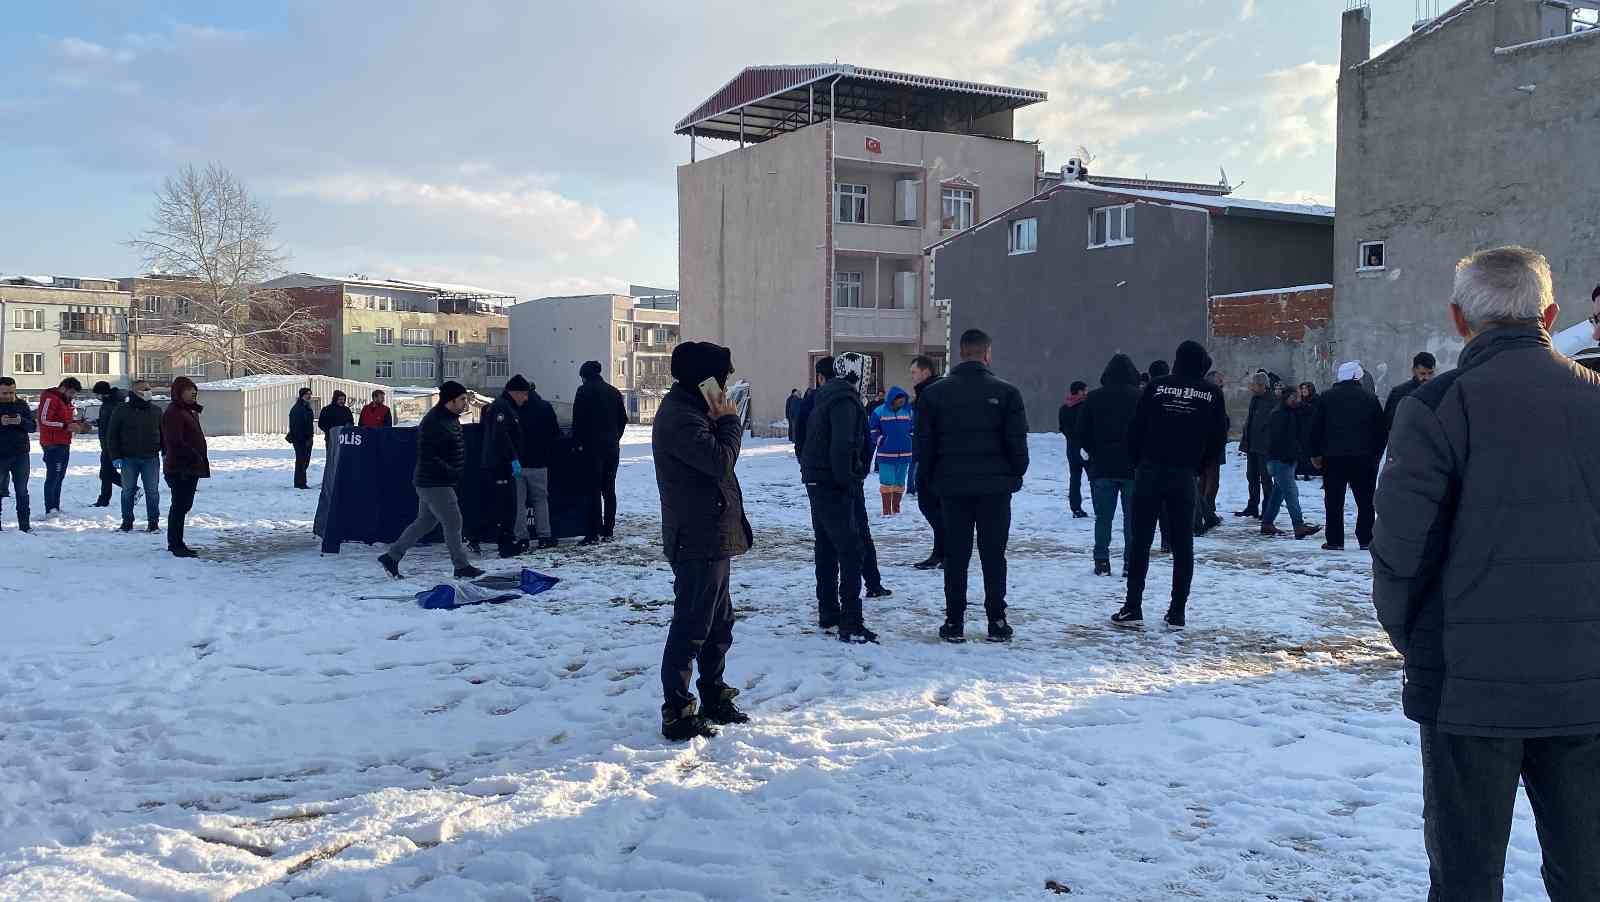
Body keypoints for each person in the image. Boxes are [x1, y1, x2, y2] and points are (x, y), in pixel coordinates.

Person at [1374, 247, 1600, 899]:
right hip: (1583, 684)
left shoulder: (1435, 407)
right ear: (1550, 314)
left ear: (1458, 319)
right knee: (1586, 874)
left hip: (1466, 687)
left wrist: (1414, 641)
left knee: (1467, 878)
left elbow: (1398, 554)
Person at [652, 341, 753, 741]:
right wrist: (729, 422)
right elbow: (718, 461)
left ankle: (713, 692)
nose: (725, 386)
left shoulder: (695, 408)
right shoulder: (681, 416)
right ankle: (676, 709)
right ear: (704, 379)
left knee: (718, 621)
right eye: (722, 377)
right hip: (696, 536)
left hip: (711, 532)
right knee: (693, 624)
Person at [918, 329, 1028, 643]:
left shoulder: (935, 394)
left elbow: (925, 445)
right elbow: (1017, 444)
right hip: (995, 489)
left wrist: (929, 480)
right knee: (994, 555)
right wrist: (1014, 474)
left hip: (952, 488)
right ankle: (997, 619)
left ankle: (954, 621)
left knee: (956, 555)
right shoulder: (1007, 393)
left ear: (961, 353)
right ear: (986, 353)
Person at [1113, 341, 1228, 630]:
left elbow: (1136, 428)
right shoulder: (1211, 393)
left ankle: (1133, 606)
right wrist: (1199, 467)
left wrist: (1138, 462)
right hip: (1183, 474)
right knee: (1182, 544)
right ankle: (1177, 610)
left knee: (1141, 541)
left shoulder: (1156, 387)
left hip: (1150, 470)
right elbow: (1217, 437)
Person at [800, 355, 885, 644]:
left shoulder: (824, 396)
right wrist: (849, 480)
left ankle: (828, 611)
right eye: (867, 375)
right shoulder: (845, 401)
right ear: (856, 375)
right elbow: (843, 444)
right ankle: (851, 621)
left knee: (826, 547)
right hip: (833, 483)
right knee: (851, 550)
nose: (869, 381)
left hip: (817, 478)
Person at [378, 381, 483, 580]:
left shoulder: (450, 418)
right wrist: (451, 471)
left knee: (425, 522)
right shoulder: (434, 421)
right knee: (453, 521)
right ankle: (461, 567)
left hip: (434, 480)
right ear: (450, 401)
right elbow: (429, 454)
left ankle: (392, 557)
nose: (465, 403)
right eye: (462, 399)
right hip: (435, 481)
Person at [1074, 354, 1141, 577]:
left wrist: (1092, 452)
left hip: (1102, 467)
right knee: (1132, 520)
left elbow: (1081, 433)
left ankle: (1101, 560)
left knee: (1103, 518)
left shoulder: (1093, 398)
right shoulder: (1141, 398)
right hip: (1133, 468)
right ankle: (1131, 562)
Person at [1310, 360, 1387, 551]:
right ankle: (1366, 538)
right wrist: (1376, 454)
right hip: (1364, 459)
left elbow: (1315, 428)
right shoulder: (1369, 398)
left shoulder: (1326, 398)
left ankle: (1335, 540)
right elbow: (1381, 429)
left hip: (1333, 458)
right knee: (1365, 501)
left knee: (1334, 500)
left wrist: (1315, 454)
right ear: (1356, 378)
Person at [573, 360, 628, 544]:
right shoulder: (613, 391)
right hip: (612, 448)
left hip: (591, 449)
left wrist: (578, 444)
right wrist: (615, 438)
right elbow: (623, 419)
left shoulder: (583, 391)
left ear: (584, 376)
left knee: (593, 491)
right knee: (609, 490)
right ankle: (608, 530)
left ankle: (592, 533)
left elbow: (578, 421)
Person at [1260, 385, 1321, 540]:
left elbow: (1311, 411)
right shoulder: (1279, 414)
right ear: (1286, 398)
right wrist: (1287, 455)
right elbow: (1276, 440)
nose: (1297, 400)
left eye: (1298, 398)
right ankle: (1298, 525)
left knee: (1278, 493)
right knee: (1291, 493)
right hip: (1279, 460)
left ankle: (1267, 523)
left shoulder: (1291, 411)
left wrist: (1301, 404)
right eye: (1294, 398)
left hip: (1285, 460)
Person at [479, 375, 528, 558]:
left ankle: (506, 541)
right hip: (499, 464)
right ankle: (504, 544)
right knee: (503, 506)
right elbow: (501, 436)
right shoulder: (501, 407)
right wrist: (513, 458)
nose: (525, 398)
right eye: (523, 394)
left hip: (502, 463)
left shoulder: (507, 407)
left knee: (507, 505)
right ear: (514, 392)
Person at [105, 379, 163, 534]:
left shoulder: (156, 411)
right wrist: (115, 456)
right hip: (127, 458)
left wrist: (165, 452)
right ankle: (127, 522)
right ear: (135, 392)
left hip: (151, 458)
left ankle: (153, 523)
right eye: (145, 389)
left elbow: (164, 435)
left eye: (149, 388)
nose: (148, 391)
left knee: (152, 492)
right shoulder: (122, 410)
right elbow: (112, 435)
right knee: (127, 491)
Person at [160, 377, 209, 559]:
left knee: (184, 505)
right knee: (179, 506)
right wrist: (194, 455)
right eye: (189, 390)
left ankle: (177, 542)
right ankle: (175, 544)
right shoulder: (174, 412)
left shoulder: (189, 411)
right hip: (180, 467)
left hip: (190, 467)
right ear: (179, 392)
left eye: (194, 389)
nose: (193, 392)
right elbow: (175, 441)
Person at [515, 377, 562, 549]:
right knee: (541, 500)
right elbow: (555, 434)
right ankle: (544, 536)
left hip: (517, 463)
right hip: (539, 463)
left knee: (518, 502)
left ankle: (522, 538)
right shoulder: (545, 407)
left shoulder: (513, 408)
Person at [908, 355, 944, 570]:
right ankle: (940, 551)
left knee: (931, 505)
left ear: (925, 372)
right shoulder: (926, 393)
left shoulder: (932, 392)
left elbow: (931, 430)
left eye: (914, 372)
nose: (911, 377)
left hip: (933, 459)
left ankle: (944, 551)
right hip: (927, 456)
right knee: (931, 506)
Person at [1234, 372, 1275, 519]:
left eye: (1254, 385)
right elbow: (1250, 422)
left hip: (1264, 447)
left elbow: (1271, 425)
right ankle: (1252, 507)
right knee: (1251, 477)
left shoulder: (1273, 401)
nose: (1252, 387)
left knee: (1265, 479)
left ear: (1262, 385)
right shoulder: (1255, 399)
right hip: (1252, 445)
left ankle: (1267, 509)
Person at [869, 386, 914, 517]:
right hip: (886, 453)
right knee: (887, 481)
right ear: (893, 400)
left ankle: (896, 509)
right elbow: (873, 430)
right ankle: (886, 511)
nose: (902, 403)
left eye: (903, 401)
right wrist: (881, 439)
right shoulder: (879, 411)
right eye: (900, 400)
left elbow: (914, 427)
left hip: (905, 453)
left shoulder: (908, 412)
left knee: (899, 482)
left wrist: (910, 436)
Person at [1193, 370, 1228, 536]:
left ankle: (1202, 514)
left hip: (1203, 446)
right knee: (1209, 482)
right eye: (1219, 380)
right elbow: (1221, 423)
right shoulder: (1213, 397)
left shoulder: (1200, 396)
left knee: (1203, 482)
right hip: (1210, 447)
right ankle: (1206, 514)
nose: (1222, 382)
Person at [0, 377, 36, 532]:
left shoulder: (21, 405)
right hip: (1, 455)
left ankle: (25, 525)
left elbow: (33, 427)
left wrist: (21, 421)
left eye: (12, 392)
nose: (8, 396)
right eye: (4, 393)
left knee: (22, 490)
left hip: (20, 454)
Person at [1057, 381, 1090, 518]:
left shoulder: (1064, 408)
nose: (1087, 393)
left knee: (1075, 478)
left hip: (1071, 448)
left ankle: (1075, 508)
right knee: (1094, 479)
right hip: (1086, 448)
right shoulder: (1086, 407)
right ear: (1080, 392)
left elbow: (1062, 428)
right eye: (1085, 390)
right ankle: (1100, 507)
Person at [90, 381, 124, 507]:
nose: (96, 397)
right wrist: (96, 422)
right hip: (106, 444)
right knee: (106, 473)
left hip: (112, 445)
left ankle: (132, 489)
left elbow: (114, 424)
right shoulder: (107, 404)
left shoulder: (113, 404)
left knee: (105, 473)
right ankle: (104, 499)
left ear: (102, 394)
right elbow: (106, 421)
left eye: (97, 394)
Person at [1382, 351, 1436, 430]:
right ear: (1413, 371)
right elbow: (1388, 423)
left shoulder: (1439, 392)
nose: (1427, 378)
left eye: (1430, 373)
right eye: (1422, 374)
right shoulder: (1399, 393)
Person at [287, 387, 316, 489]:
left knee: (305, 461)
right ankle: (300, 483)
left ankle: (301, 482)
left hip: (307, 438)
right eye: (307, 394)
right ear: (302, 395)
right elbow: (295, 425)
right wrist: (302, 438)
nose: (309, 396)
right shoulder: (298, 408)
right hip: (300, 439)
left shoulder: (307, 407)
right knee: (301, 461)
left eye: (310, 394)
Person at [318, 390, 354, 462]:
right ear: (335, 399)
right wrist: (330, 430)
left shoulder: (346, 410)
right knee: (332, 458)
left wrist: (348, 426)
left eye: (343, 399)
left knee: (343, 458)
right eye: (340, 399)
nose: (342, 401)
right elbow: (321, 424)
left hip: (344, 439)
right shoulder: (327, 409)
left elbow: (351, 422)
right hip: (331, 438)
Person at [1294, 383, 1320, 479]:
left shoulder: (1316, 400)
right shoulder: (1298, 401)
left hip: (1311, 430)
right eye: (1302, 388)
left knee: (1309, 452)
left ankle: (1310, 472)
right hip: (1300, 430)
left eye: (1306, 388)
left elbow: (1315, 412)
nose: (1304, 390)